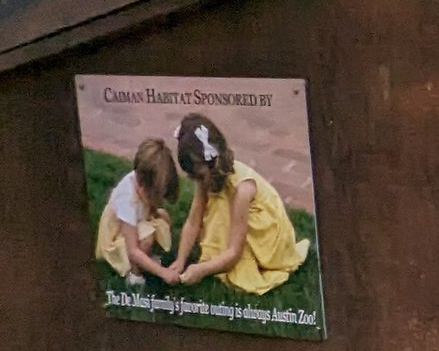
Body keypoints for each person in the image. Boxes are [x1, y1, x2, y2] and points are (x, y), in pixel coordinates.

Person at [164, 111, 307, 294]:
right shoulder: (206, 178)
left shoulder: (242, 190)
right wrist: (181, 260)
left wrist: (201, 269)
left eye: (198, 174)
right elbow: (193, 221)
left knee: (224, 226)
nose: (196, 180)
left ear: (212, 161)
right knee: (218, 212)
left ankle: (247, 258)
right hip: (237, 216)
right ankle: (218, 253)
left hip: (266, 236)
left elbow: (234, 252)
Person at [94, 138, 181, 283]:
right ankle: (135, 275)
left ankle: (147, 259)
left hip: (138, 223)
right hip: (118, 238)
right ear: (143, 187)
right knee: (146, 238)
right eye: (155, 196)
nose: (157, 201)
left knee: (163, 218)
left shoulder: (143, 184)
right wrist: (163, 273)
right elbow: (133, 251)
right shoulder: (126, 199)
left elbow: (150, 209)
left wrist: (156, 213)